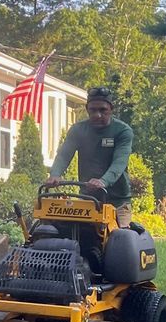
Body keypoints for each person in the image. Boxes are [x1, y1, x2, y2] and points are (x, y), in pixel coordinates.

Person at [47, 87, 133, 226]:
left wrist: (103, 181)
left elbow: (119, 162)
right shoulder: (78, 130)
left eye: (103, 110)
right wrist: (55, 174)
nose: (97, 115)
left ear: (111, 109)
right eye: (93, 110)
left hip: (117, 201)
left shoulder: (122, 131)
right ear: (87, 109)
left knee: (121, 241)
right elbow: (64, 155)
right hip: (89, 199)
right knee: (80, 236)